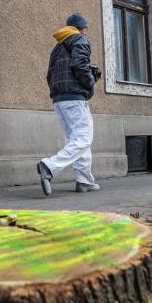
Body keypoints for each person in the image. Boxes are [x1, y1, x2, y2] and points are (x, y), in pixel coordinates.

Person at [37, 12, 102, 196]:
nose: (86, 33)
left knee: (77, 140)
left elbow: (50, 75)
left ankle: (84, 181)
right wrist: (90, 82)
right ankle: (49, 166)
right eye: (86, 29)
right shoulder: (79, 40)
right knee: (83, 138)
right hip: (74, 99)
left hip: (59, 100)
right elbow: (79, 64)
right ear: (80, 28)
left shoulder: (57, 47)